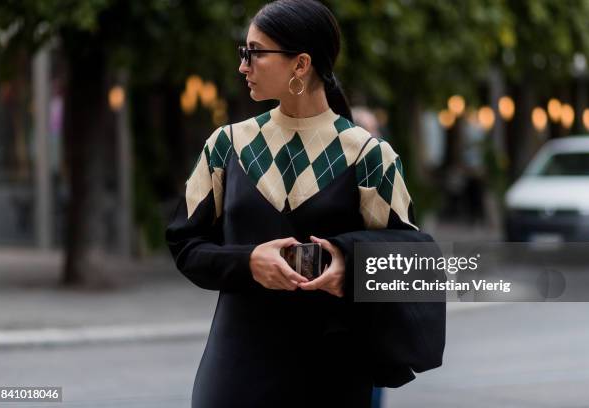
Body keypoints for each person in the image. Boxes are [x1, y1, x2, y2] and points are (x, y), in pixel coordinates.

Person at [166, 1, 431, 407]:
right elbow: (186, 246)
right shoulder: (226, 146)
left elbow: (407, 263)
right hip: (236, 369)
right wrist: (248, 262)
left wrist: (350, 265)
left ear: (300, 64)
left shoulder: (370, 157)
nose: (243, 66)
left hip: (331, 376)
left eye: (254, 52)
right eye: (244, 53)